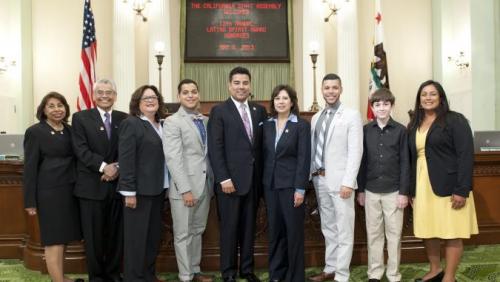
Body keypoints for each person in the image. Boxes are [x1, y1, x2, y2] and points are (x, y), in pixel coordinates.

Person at [408, 80, 478, 282]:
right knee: (427, 230)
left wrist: (462, 189)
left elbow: (466, 155)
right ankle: (435, 269)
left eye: (432, 94)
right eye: (424, 94)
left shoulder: (455, 120)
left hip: (449, 187)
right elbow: (413, 159)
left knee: (451, 232)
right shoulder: (414, 124)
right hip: (423, 186)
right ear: (419, 100)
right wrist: (412, 189)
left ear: (441, 98)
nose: (428, 98)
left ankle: (449, 277)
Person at [207, 66, 267, 282]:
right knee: (230, 230)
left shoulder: (259, 111)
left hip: (253, 182)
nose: (241, 87)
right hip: (229, 183)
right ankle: (229, 272)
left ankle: (247, 270)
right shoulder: (219, 111)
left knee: (249, 229)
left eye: (245, 83)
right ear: (229, 85)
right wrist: (224, 178)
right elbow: (215, 147)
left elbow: (261, 147)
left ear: (250, 86)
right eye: (237, 83)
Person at [308, 73, 363, 282]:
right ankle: (330, 268)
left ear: (341, 89)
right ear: (322, 90)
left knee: (344, 229)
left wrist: (348, 182)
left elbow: (356, 151)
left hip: (342, 183)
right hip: (320, 179)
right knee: (328, 227)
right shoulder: (316, 117)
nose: (330, 91)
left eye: (334, 88)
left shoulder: (351, 115)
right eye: (327, 88)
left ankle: (342, 274)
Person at [72, 79, 128, 282]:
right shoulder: (80, 118)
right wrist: (105, 167)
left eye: (110, 92)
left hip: (117, 188)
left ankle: (113, 275)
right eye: (101, 92)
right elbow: (80, 149)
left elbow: (129, 149)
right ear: (94, 95)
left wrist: (117, 167)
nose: (105, 96)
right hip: (91, 188)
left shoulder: (124, 118)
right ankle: (96, 277)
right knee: (93, 239)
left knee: (116, 236)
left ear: (115, 95)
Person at [23, 92, 83, 282]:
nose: (57, 109)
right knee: (53, 240)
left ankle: (60, 276)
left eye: (60, 105)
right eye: (51, 106)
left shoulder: (70, 130)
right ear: (43, 109)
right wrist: (30, 201)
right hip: (49, 192)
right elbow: (30, 168)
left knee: (63, 238)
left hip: (69, 190)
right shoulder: (35, 132)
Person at [163, 79, 214, 282]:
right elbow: (173, 158)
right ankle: (185, 276)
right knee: (183, 234)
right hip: (183, 189)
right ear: (179, 96)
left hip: (204, 186)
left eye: (194, 91)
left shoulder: (205, 120)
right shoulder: (172, 122)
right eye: (186, 92)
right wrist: (185, 189)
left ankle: (195, 270)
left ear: (198, 94)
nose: (190, 95)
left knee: (197, 230)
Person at [356, 88, 409, 282]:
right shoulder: (365, 130)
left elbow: (405, 163)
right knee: (374, 234)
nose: (382, 108)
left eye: (386, 104)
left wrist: (404, 192)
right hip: (370, 191)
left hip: (394, 192)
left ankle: (393, 274)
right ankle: (375, 274)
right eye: (377, 104)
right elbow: (362, 162)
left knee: (394, 235)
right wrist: (360, 190)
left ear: (392, 106)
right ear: (372, 107)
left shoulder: (401, 130)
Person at [117, 85, 169, 282]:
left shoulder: (162, 124)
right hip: (138, 192)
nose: (150, 100)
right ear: (137, 102)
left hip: (158, 189)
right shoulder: (132, 124)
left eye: (153, 97)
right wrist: (129, 192)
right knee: (136, 240)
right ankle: (134, 277)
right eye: (145, 97)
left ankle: (148, 275)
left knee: (152, 238)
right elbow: (126, 159)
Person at [262, 85, 310, 282]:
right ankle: (276, 274)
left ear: (292, 101)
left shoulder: (301, 125)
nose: (281, 101)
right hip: (270, 186)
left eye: (285, 98)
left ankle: (295, 276)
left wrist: (300, 189)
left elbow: (303, 158)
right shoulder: (266, 125)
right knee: (275, 232)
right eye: (277, 98)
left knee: (293, 233)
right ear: (273, 102)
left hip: (291, 187)